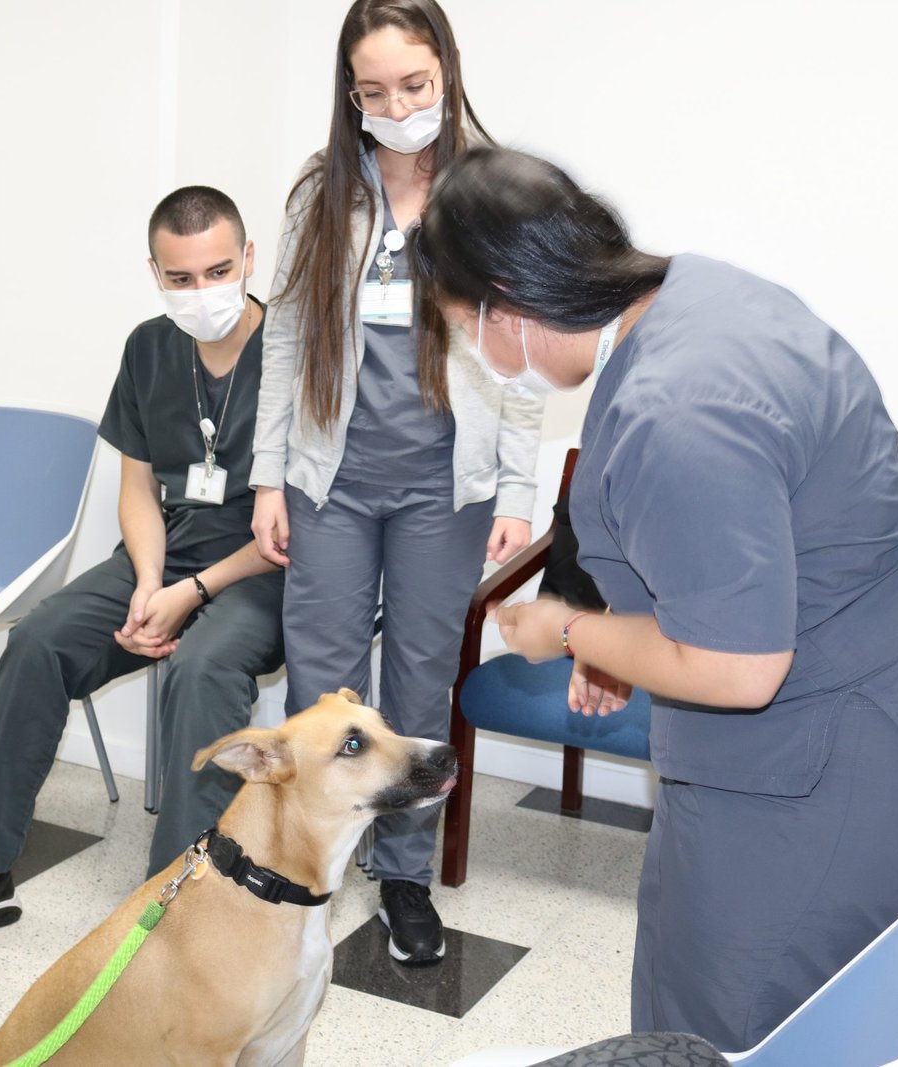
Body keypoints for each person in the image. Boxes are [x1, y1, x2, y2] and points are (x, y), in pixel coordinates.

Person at [411, 147, 898, 1050]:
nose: (475, 351)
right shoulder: (707, 296)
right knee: (705, 1001)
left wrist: (570, 630)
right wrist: (621, 643)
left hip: (829, 756)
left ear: (508, 304)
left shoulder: (673, 411)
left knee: (716, 1032)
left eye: (464, 325)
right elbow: (742, 561)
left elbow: (739, 667)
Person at [0, 187, 285, 960]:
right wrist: (149, 580)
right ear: (154, 273)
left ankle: (178, 901)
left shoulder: (295, 353)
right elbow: (137, 486)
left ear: (249, 259)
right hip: (168, 554)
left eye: (218, 271)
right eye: (180, 277)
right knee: (39, 639)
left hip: (264, 569)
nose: (201, 292)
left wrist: (190, 593)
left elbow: (297, 525)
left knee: (203, 667)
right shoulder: (150, 347)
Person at [249, 0, 542, 965]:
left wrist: (515, 493)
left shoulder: (495, 193)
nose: (399, 107)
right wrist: (268, 477)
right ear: (350, 94)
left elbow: (521, 351)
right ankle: (311, 867)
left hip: (442, 489)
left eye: (414, 85)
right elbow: (286, 337)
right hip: (329, 481)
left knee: (420, 683)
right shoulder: (322, 190)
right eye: (374, 92)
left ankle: (405, 875)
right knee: (326, 690)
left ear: (447, 72)